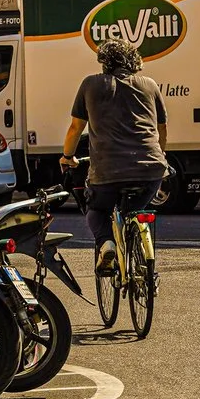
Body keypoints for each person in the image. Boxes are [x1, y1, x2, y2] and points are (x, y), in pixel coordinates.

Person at [59, 39, 169, 276]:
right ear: (134, 60)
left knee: (97, 211)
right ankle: (140, 247)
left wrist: (67, 157)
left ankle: (107, 244)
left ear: (104, 63)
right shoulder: (149, 85)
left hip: (108, 171)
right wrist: (161, 155)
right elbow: (161, 129)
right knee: (134, 210)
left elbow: (75, 128)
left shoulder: (90, 84)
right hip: (151, 170)